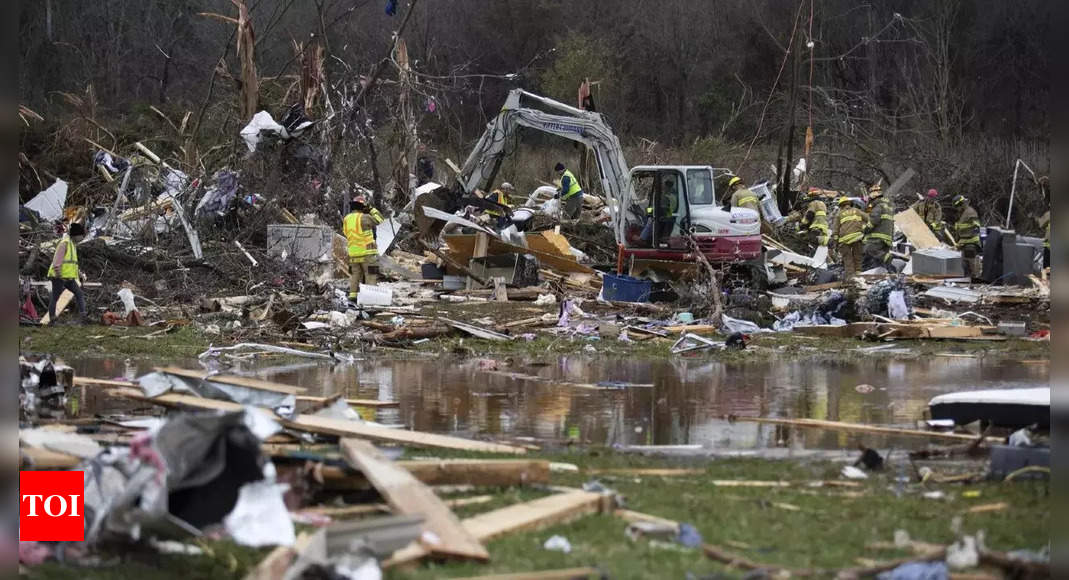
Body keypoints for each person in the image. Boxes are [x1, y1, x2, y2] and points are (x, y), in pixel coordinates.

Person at [47, 222, 88, 324]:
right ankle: (52, 318)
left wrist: (79, 274)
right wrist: (59, 275)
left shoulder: (72, 244)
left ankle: (83, 316)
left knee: (79, 294)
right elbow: (57, 262)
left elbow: (72, 263)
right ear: (76, 235)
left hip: (68, 278)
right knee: (55, 297)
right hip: (59, 277)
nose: (82, 238)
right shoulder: (64, 243)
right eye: (81, 236)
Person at [342, 194, 381, 299]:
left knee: (355, 275)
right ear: (362, 207)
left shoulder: (346, 219)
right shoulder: (364, 217)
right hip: (368, 253)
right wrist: (371, 209)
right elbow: (379, 219)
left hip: (353, 254)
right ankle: (370, 298)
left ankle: (353, 296)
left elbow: (345, 233)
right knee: (371, 275)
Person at [830, 196, 867, 279]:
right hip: (857, 238)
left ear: (840, 206)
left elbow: (835, 230)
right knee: (858, 257)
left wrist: (835, 243)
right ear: (849, 204)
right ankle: (859, 276)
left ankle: (851, 277)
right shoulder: (857, 211)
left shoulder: (839, 214)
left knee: (848, 259)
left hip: (844, 240)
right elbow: (869, 219)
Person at [863, 183, 895, 271]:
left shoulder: (878, 206)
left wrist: (865, 229)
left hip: (878, 236)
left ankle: (889, 258)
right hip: (887, 236)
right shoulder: (888, 206)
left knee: (869, 249)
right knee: (879, 261)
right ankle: (884, 273)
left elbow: (874, 220)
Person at [952, 194, 982, 279]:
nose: (957, 209)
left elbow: (976, 227)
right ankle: (968, 281)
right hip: (965, 243)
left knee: (971, 265)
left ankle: (974, 280)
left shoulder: (970, 212)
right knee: (965, 265)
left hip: (971, 243)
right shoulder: (963, 213)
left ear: (961, 204)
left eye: (957, 207)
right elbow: (961, 228)